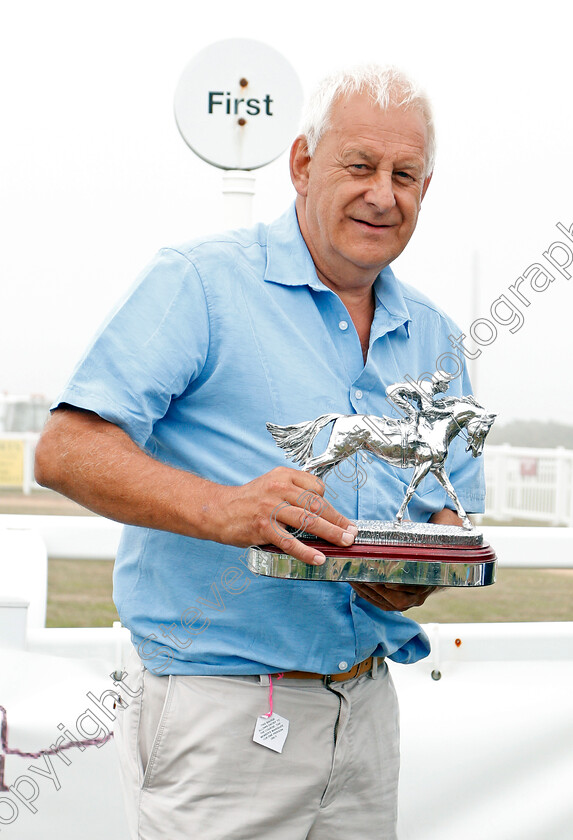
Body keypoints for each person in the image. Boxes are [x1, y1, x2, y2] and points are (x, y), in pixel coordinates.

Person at [35, 64, 485, 840]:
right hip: (221, 708)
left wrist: (420, 566)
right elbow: (66, 450)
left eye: (405, 175)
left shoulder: (437, 334)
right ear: (302, 165)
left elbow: (452, 507)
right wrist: (222, 508)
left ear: (425, 188)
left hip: (366, 705)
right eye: (359, 166)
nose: (384, 194)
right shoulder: (199, 282)